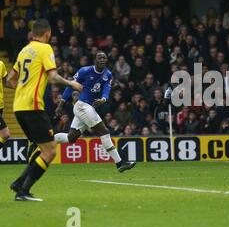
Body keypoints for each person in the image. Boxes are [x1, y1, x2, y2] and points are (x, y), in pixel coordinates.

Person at [7, 19, 83, 201]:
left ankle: (19, 183)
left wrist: (24, 88)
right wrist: (71, 83)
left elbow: (10, 80)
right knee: (50, 151)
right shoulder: (45, 48)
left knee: (44, 148)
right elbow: (53, 77)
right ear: (47, 33)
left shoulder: (24, 50)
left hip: (18, 106)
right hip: (32, 106)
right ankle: (23, 192)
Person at [54, 51, 136, 173]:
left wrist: (103, 99)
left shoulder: (108, 74)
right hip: (82, 106)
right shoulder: (84, 71)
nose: (102, 59)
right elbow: (70, 86)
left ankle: (47, 140)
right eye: (100, 58)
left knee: (71, 138)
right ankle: (120, 163)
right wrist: (61, 104)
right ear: (95, 60)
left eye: (104, 57)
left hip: (89, 108)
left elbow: (106, 90)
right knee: (104, 131)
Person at [0, 60, 11, 151]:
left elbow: (5, 82)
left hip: (1, 106)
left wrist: (20, 87)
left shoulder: (1, 64)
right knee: (5, 134)